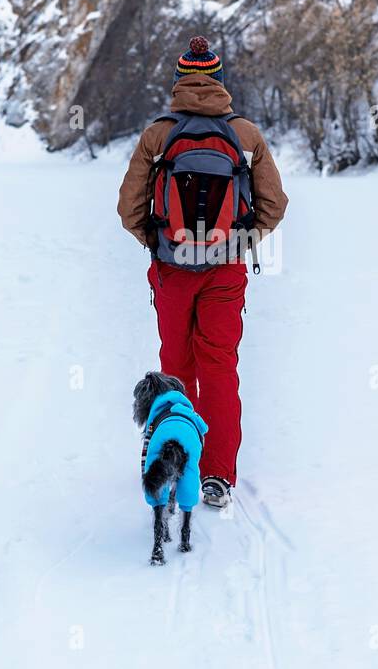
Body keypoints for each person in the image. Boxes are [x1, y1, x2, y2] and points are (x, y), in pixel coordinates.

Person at [118, 36, 288, 507]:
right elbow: (274, 205)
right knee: (219, 368)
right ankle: (216, 476)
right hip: (225, 271)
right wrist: (236, 241)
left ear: (179, 81)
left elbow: (128, 207)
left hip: (172, 271)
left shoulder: (159, 135)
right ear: (218, 82)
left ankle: (172, 460)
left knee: (175, 367)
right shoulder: (245, 135)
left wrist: (159, 243)